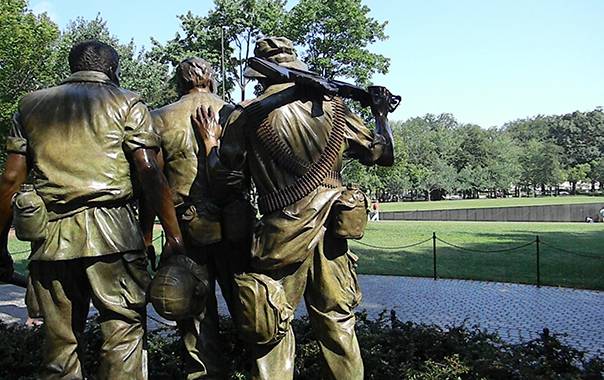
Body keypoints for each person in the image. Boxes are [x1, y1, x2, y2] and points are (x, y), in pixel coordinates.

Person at [193, 36, 395, 380]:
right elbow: (382, 154)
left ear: (262, 73)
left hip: (280, 236)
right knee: (339, 326)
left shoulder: (245, 114)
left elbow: (224, 179)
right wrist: (380, 115)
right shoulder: (337, 108)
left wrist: (210, 143)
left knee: (270, 331)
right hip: (332, 233)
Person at [0, 40, 184, 379]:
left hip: (52, 238)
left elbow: (11, 178)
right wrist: (172, 234)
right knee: (124, 332)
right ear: (112, 70)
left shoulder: (30, 106)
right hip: (114, 235)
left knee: (60, 343)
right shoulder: (128, 102)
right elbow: (148, 170)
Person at [144, 57, 253, 379]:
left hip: (185, 228)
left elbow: (153, 182)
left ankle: (205, 374)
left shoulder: (159, 118)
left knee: (194, 313)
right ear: (212, 79)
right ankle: (258, 368)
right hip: (235, 227)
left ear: (180, 82)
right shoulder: (235, 114)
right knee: (247, 303)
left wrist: (148, 236)